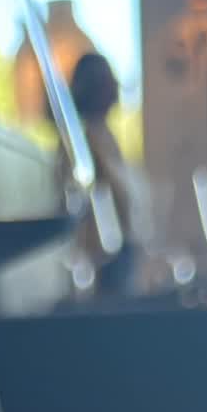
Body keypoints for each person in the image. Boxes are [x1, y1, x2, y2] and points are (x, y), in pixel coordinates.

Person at [68, 51, 139, 297]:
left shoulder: (105, 135)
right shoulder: (82, 141)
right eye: (107, 81)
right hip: (102, 252)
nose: (114, 86)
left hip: (121, 244)